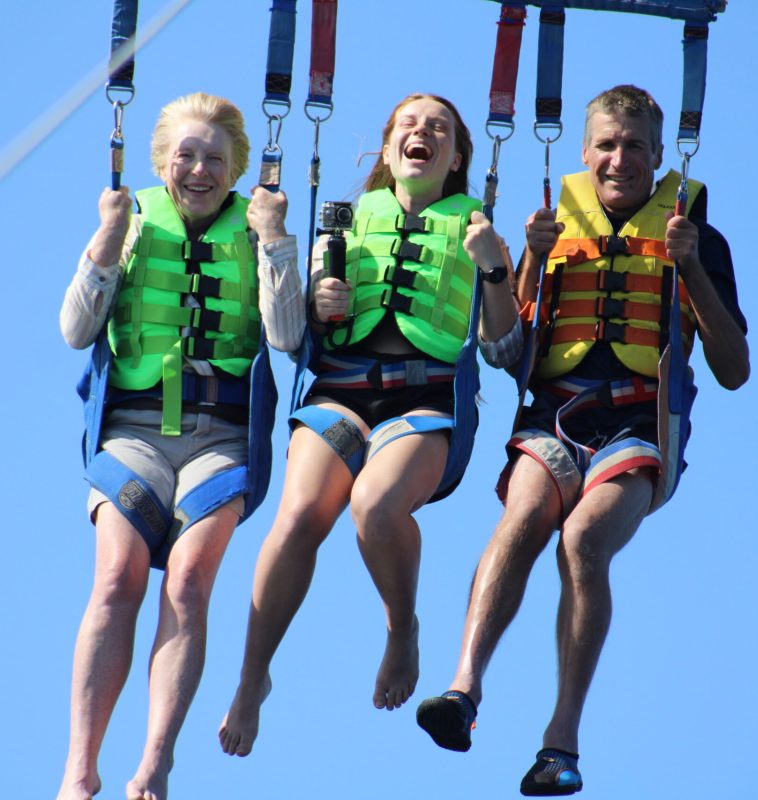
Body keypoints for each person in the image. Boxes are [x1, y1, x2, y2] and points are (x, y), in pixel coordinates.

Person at [416, 85, 749, 796]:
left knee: (584, 541)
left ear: (659, 155)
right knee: (523, 518)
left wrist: (690, 267)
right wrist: (526, 264)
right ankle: (463, 690)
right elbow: (507, 352)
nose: (619, 159)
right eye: (607, 145)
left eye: (635, 147)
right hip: (554, 414)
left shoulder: (695, 234)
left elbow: (734, 369)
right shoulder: (553, 225)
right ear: (584, 150)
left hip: (638, 425)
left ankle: (560, 741)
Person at [218, 93, 521, 757]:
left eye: (438, 127)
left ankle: (401, 629)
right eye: (409, 124)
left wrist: (496, 268)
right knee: (299, 516)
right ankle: (251, 677)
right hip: (340, 392)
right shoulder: (347, 224)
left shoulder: (479, 232)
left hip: (424, 402)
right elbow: (290, 338)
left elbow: (505, 350)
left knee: (375, 510)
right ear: (388, 149)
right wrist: (318, 302)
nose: (422, 132)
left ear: (456, 158)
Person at [57, 92, 304, 800]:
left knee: (190, 581)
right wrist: (106, 240)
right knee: (117, 578)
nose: (199, 171)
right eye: (186, 156)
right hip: (134, 433)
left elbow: (288, 337)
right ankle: (79, 770)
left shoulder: (258, 229)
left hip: (220, 441)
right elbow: (75, 331)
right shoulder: (130, 222)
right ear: (162, 160)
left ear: (236, 169)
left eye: (214, 160)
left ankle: (155, 762)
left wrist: (277, 241)